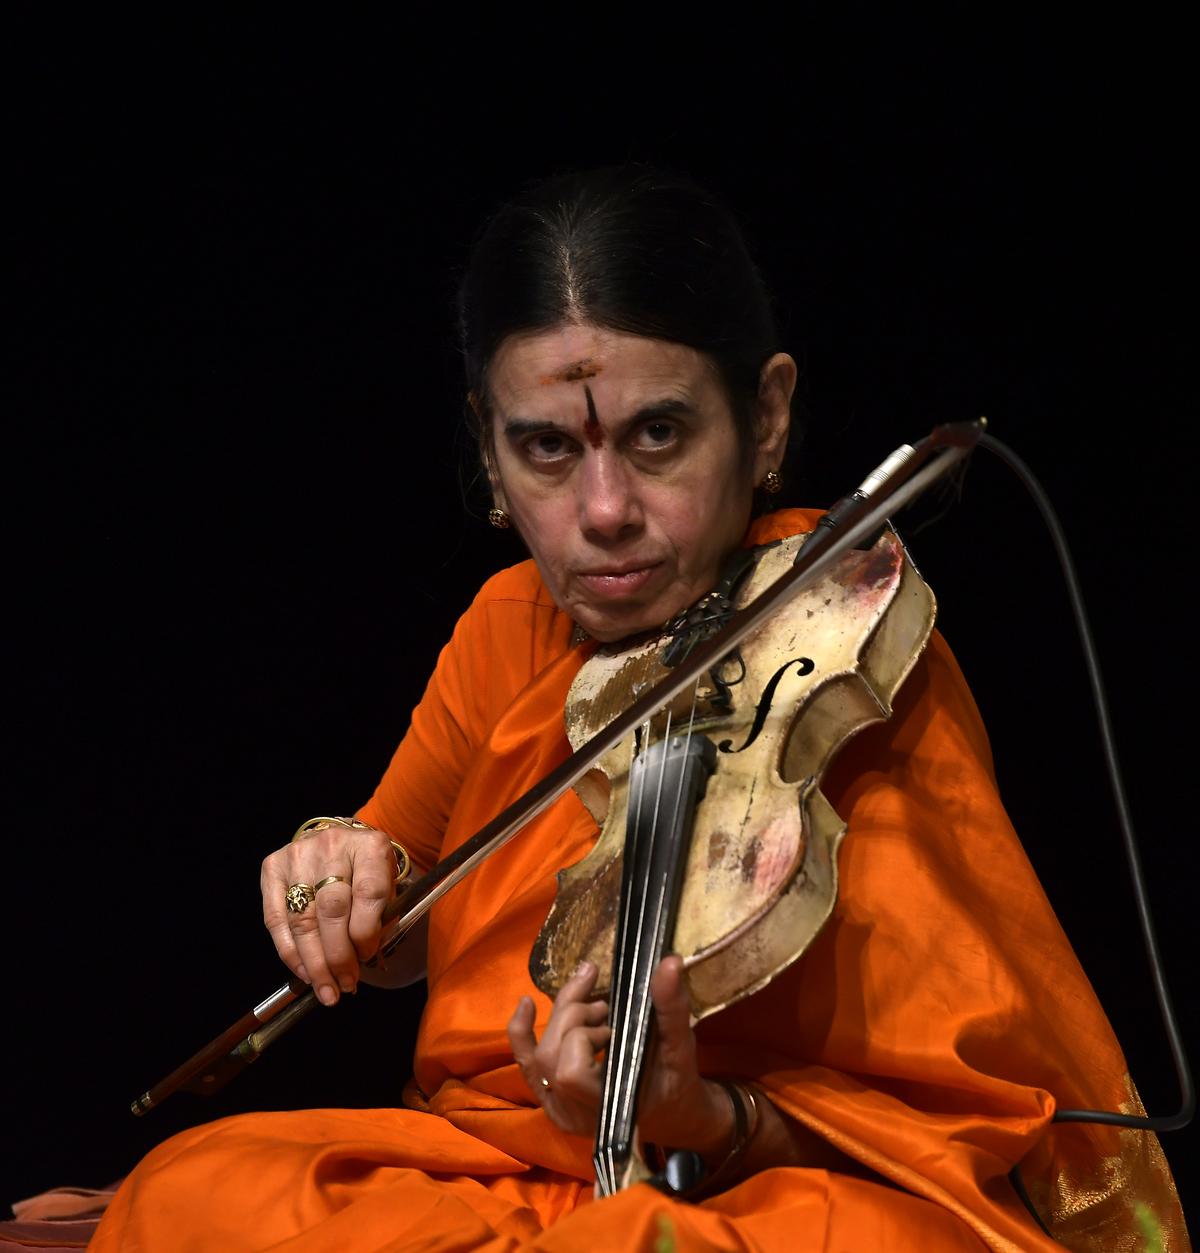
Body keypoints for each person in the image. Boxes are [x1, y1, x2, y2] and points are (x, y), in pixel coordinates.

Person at [88, 166, 1188, 1251]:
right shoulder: (510, 622)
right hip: (506, 1167)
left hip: (765, 1186)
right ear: (487, 445)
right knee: (194, 1187)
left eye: (658, 435)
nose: (604, 511)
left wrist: (700, 1115)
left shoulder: (845, 636)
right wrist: (336, 862)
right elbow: (398, 907)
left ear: (764, 418)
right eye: (548, 448)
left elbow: (959, 1129)